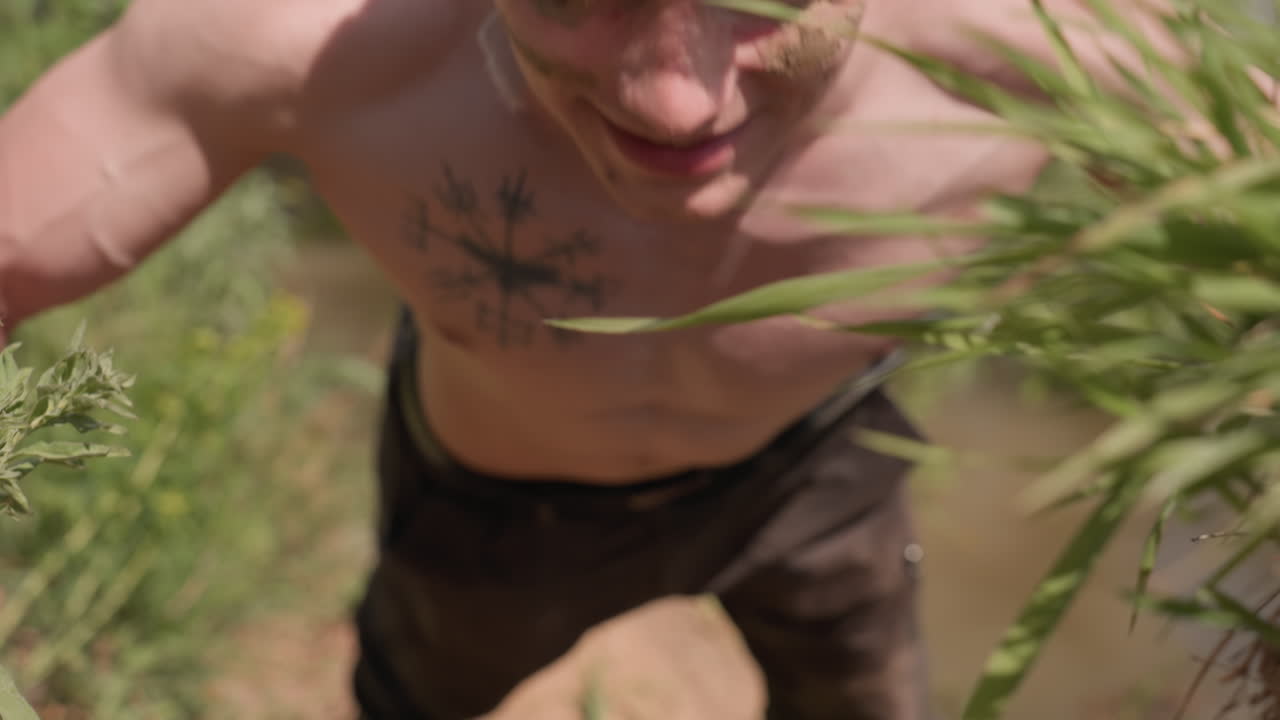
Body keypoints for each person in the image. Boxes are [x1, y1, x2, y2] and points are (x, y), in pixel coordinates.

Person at [0, 1, 1191, 718]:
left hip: (822, 461)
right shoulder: (306, 43)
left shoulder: (1069, 59)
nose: (673, 101)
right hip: (493, 502)